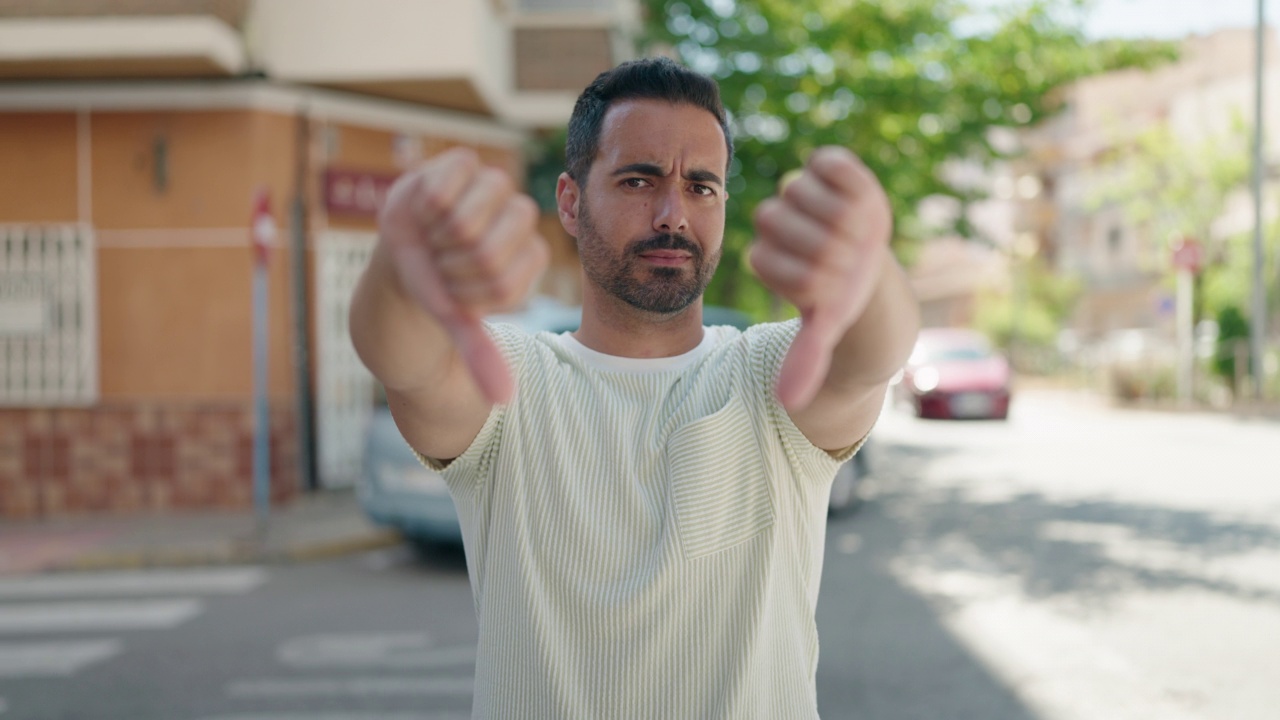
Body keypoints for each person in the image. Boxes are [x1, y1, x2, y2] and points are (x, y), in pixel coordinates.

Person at [350, 57, 920, 720]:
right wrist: (398, 262)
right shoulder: (511, 385)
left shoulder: (768, 378)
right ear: (570, 200)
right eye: (638, 179)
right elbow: (407, 362)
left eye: (701, 186)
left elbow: (871, 358)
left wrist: (871, 264)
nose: (673, 214)